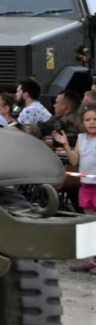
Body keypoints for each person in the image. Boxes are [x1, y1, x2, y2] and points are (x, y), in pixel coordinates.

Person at [53, 106, 96, 273]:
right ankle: (91, 259)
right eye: (88, 120)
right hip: (86, 185)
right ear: (82, 122)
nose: (92, 122)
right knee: (88, 221)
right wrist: (65, 145)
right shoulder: (81, 138)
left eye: (95, 119)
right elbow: (74, 160)